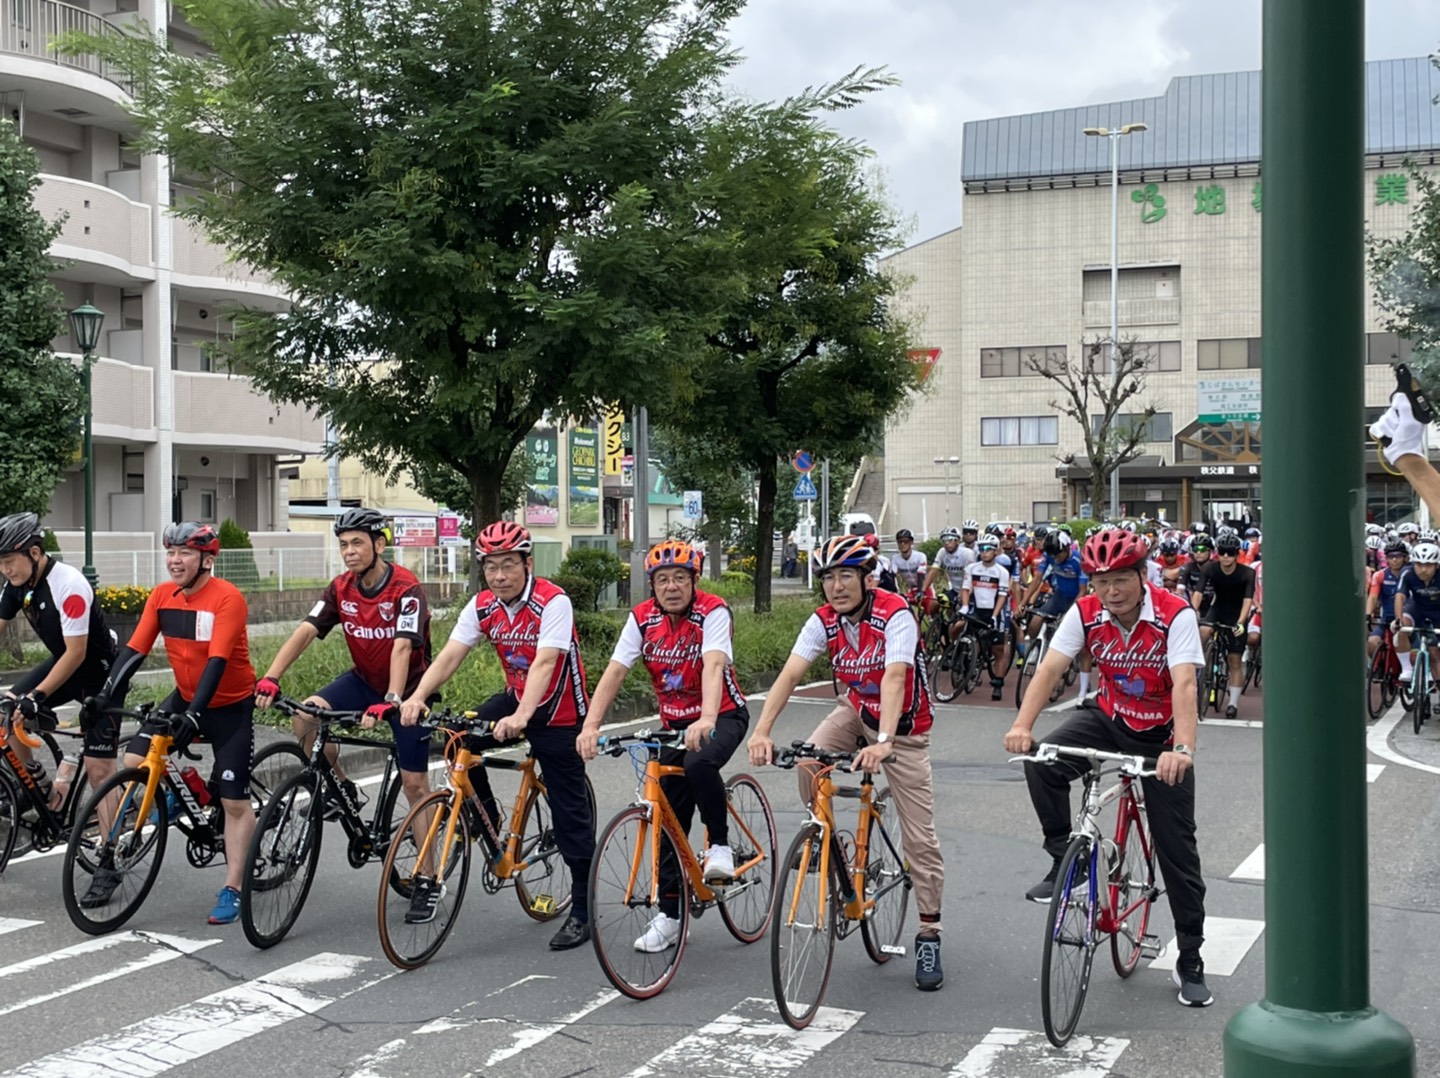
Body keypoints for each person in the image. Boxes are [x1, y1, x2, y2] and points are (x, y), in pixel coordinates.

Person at [1003, 529, 1211, 1008]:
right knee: (1043, 761)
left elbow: (1184, 685)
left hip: (1161, 737)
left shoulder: (1174, 614)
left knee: (1178, 854)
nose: (1111, 591)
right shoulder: (1086, 611)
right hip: (1108, 717)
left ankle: (1190, 957)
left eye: (1121, 579)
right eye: (1101, 582)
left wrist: (1182, 748)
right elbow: (1051, 668)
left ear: (1142, 575)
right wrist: (1022, 723)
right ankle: (1063, 858)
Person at [747, 535, 946, 992]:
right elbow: (790, 674)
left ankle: (930, 932)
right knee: (808, 760)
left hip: (904, 729)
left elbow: (895, 677)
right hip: (856, 710)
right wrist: (762, 731)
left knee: (920, 838)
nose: (836, 587)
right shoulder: (824, 621)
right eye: (829, 578)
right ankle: (824, 839)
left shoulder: (894, 614)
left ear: (867, 578)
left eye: (845, 576)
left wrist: (885, 742)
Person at [399, 521, 593, 951]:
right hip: (516, 697)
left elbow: (545, 663)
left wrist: (525, 715)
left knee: (569, 813)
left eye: (508, 565)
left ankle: (582, 908)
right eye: (491, 567)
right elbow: (451, 654)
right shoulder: (484, 605)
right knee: (456, 738)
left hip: (559, 711)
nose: (500, 575)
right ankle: (489, 815)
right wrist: (417, 696)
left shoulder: (552, 602)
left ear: (527, 563)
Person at [83, 522, 257, 925]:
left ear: (207, 560)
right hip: (184, 697)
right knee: (133, 763)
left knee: (233, 801)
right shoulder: (163, 596)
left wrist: (197, 714)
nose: (174, 561)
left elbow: (216, 661)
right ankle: (179, 794)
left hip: (228, 705)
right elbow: (134, 650)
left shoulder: (227, 599)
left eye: (185, 554)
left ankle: (232, 887)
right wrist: (104, 697)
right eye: (171, 553)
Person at [578, 539, 749, 952]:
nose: (671, 587)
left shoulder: (713, 611)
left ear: (694, 581)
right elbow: (616, 670)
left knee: (699, 763)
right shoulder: (642, 619)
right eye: (662, 579)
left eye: (679, 578)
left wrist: (707, 717)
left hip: (722, 714)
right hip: (674, 722)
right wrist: (591, 725)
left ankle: (721, 846)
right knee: (665, 813)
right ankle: (671, 915)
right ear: (651, 584)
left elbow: (713, 664)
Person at [254, 508, 433, 819]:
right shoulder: (341, 587)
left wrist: (392, 698)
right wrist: (271, 677)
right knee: (304, 714)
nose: (349, 552)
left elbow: (402, 646)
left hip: (409, 691)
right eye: (343, 545)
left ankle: (427, 868)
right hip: (363, 681)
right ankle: (339, 786)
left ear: (379, 545)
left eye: (357, 543)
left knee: (414, 785)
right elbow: (307, 630)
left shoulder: (406, 587)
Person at [0, 511, 121, 807]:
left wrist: (36, 695)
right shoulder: (18, 585)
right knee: (5, 714)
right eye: (0, 563)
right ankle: (40, 790)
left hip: (101, 677)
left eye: (9, 561)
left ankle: (113, 850)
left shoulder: (69, 585)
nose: (5, 570)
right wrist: (24, 700)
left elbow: (77, 653)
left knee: (99, 771)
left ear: (35, 552)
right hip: (65, 667)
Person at [1193, 532, 1255, 719]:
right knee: (1204, 630)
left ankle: (1233, 703)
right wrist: (1191, 612)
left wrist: (1241, 622)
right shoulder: (1210, 569)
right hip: (1218, 608)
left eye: (1230, 553)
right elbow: (1198, 592)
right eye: (1222, 552)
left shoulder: (1247, 573)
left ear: (1237, 554)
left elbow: (1247, 600)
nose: (1226, 557)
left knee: (1234, 660)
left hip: (1237, 614)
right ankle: (1199, 665)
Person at [961, 534, 1012, 700]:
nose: (984, 552)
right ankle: (967, 664)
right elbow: (966, 588)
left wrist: (995, 616)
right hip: (977, 609)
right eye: (981, 549)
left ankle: (997, 684)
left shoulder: (1002, 572)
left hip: (995, 611)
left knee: (998, 649)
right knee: (965, 634)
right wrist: (965, 605)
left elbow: (1003, 596)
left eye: (988, 549)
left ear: (995, 551)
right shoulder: (972, 568)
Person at [1393, 541, 1440, 683]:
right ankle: (1407, 669)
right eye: (1419, 564)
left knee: (1434, 654)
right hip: (1417, 607)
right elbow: (1400, 596)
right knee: (1400, 630)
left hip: (1438, 610)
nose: (1423, 569)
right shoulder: (1407, 572)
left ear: (1437, 565)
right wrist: (1398, 619)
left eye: (1428, 565)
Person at [1367, 541, 1408, 662]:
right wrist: (1368, 614)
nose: (1394, 559)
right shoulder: (1380, 575)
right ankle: (1379, 666)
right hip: (1386, 619)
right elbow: (1373, 597)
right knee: (1372, 642)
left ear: (1405, 557)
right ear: (1386, 559)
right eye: (1391, 556)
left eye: (1398, 556)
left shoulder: (1410, 574)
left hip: (1406, 620)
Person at [890, 529, 929, 593]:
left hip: (925, 587)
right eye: (900, 541)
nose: (902, 544)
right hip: (911, 589)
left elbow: (921, 574)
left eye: (906, 541)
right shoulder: (895, 558)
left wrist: (920, 592)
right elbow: (892, 576)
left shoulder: (920, 556)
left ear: (911, 542)